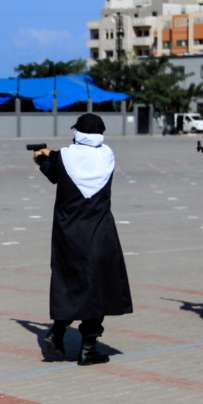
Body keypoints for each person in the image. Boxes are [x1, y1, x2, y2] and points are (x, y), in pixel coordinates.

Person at [30, 113, 131, 364]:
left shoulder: (64, 156)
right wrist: (53, 154)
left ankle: (58, 331)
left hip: (69, 232)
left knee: (69, 283)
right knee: (98, 287)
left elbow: (56, 171)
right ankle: (88, 348)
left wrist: (41, 160)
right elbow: (81, 154)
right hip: (100, 232)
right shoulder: (107, 156)